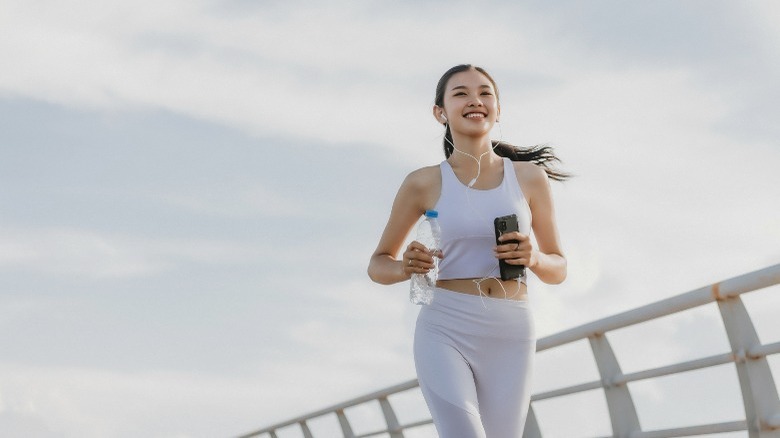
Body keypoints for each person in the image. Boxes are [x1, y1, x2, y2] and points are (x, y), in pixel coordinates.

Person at [367, 64, 568, 438]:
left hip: (512, 328)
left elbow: (558, 268)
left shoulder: (528, 178)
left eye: (485, 92)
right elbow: (378, 264)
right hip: (445, 325)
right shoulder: (422, 182)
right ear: (439, 112)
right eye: (460, 93)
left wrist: (534, 257)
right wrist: (405, 267)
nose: (475, 100)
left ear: (498, 108)